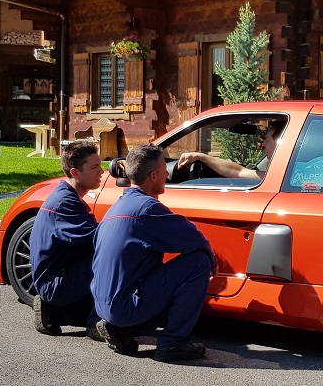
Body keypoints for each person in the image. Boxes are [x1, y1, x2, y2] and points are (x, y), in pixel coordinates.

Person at [91, 144, 217, 362]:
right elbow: (193, 238)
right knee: (198, 262)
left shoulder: (116, 208)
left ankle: (122, 329)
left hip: (101, 307)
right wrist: (212, 260)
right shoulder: (146, 209)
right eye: (164, 169)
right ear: (153, 175)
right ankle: (173, 343)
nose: (168, 173)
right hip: (124, 306)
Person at [29, 140, 104, 341]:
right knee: (110, 259)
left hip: (58, 277)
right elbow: (100, 240)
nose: (102, 171)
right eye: (94, 167)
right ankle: (97, 322)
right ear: (75, 172)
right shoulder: (65, 203)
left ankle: (52, 311)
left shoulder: (66, 196)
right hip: (55, 284)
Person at [176, 120, 285, 179]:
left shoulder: (283, 176)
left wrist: (200, 157)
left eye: (267, 140)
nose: (263, 145)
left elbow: (239, 172)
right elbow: (240, 171)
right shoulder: (287, 173)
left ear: (279, 144)